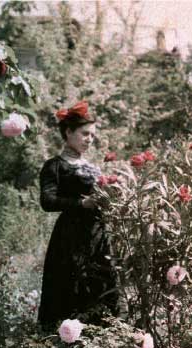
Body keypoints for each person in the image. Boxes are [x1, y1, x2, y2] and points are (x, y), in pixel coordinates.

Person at [38, 100, 119, 333]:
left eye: (92, 135)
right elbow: (47, 201)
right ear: (68, 132)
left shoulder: (92, 167)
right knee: (70, 285)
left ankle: (101, 342)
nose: (89, 139)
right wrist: (81, 203)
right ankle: (65, 346)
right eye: (85, 134)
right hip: (70, 238)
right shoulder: (54, 166)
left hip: (97, 234)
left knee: (102, 283)